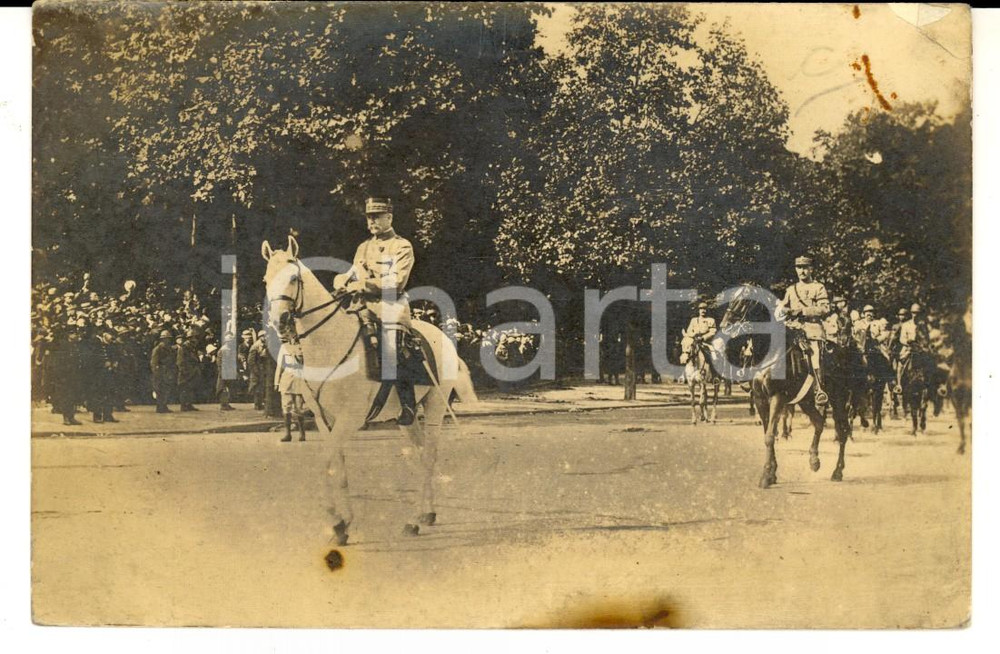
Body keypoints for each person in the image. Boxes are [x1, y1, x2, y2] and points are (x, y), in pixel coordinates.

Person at [333, 197, 418, 425]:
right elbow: (352, 272)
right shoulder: (364, 247)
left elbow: (397, 282)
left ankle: (407, 403)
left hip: (390, 306)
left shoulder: (401, 246)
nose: (372, 221)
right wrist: (341, 280)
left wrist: (363, 284)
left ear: (389, 217)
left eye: (377, 216)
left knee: (393, 347)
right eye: (369, 217)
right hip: (361, 305)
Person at [778, 255, 831, 405]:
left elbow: (825, 308)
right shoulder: (790, 289)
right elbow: (783, 307)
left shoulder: (818, 287)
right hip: (793, 329)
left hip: (812, 329)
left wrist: (802, 311)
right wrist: (781, 310)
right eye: (799, 268)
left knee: (814, 356)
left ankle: (819, 390)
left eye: (805, 268)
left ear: (811, 269)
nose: (802, 271)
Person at [895, 303, 931, 393]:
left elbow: (927, 337)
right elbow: (901, 338)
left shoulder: (924, 325)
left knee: (931, 361)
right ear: (911, 313)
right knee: (901, 363)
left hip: (920, 347)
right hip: (908, 347)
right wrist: (908, 342)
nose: (916, 315)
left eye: (917, 313)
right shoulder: (906, 325)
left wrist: (923, 345)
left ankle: (931, 384)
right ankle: (899, 385)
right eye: (914, 313)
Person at [275, 339, 307, 442]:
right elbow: (279, 365)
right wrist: (276, 381)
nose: (293, 336)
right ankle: (287, 434)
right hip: (287, 377)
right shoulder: (284, 347)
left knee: (299, 407)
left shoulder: (303, 346)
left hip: (299, 377)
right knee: (286, 406)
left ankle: (302, 433)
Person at [150, 330, 176, 413]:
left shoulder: (168, 348)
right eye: (166, 339)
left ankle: (163, 406)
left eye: (169, 339)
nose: (168, 340)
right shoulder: (158, 349)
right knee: (160, 390)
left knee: (166, 389)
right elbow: (154, 362)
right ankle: (160, 407)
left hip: (167, 371)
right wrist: (156, 372)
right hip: (160, 372)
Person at [176, 329, 201, 411]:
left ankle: (189, 404)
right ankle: (183, 405)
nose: (196, 340)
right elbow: (180, 361)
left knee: (191, 388)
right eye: (194, 338)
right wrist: (184, 371)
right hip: (186, 371)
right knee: (184, 388)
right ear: (190, 338)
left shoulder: (192, 347)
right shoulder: (184, 348)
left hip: (192, 371)